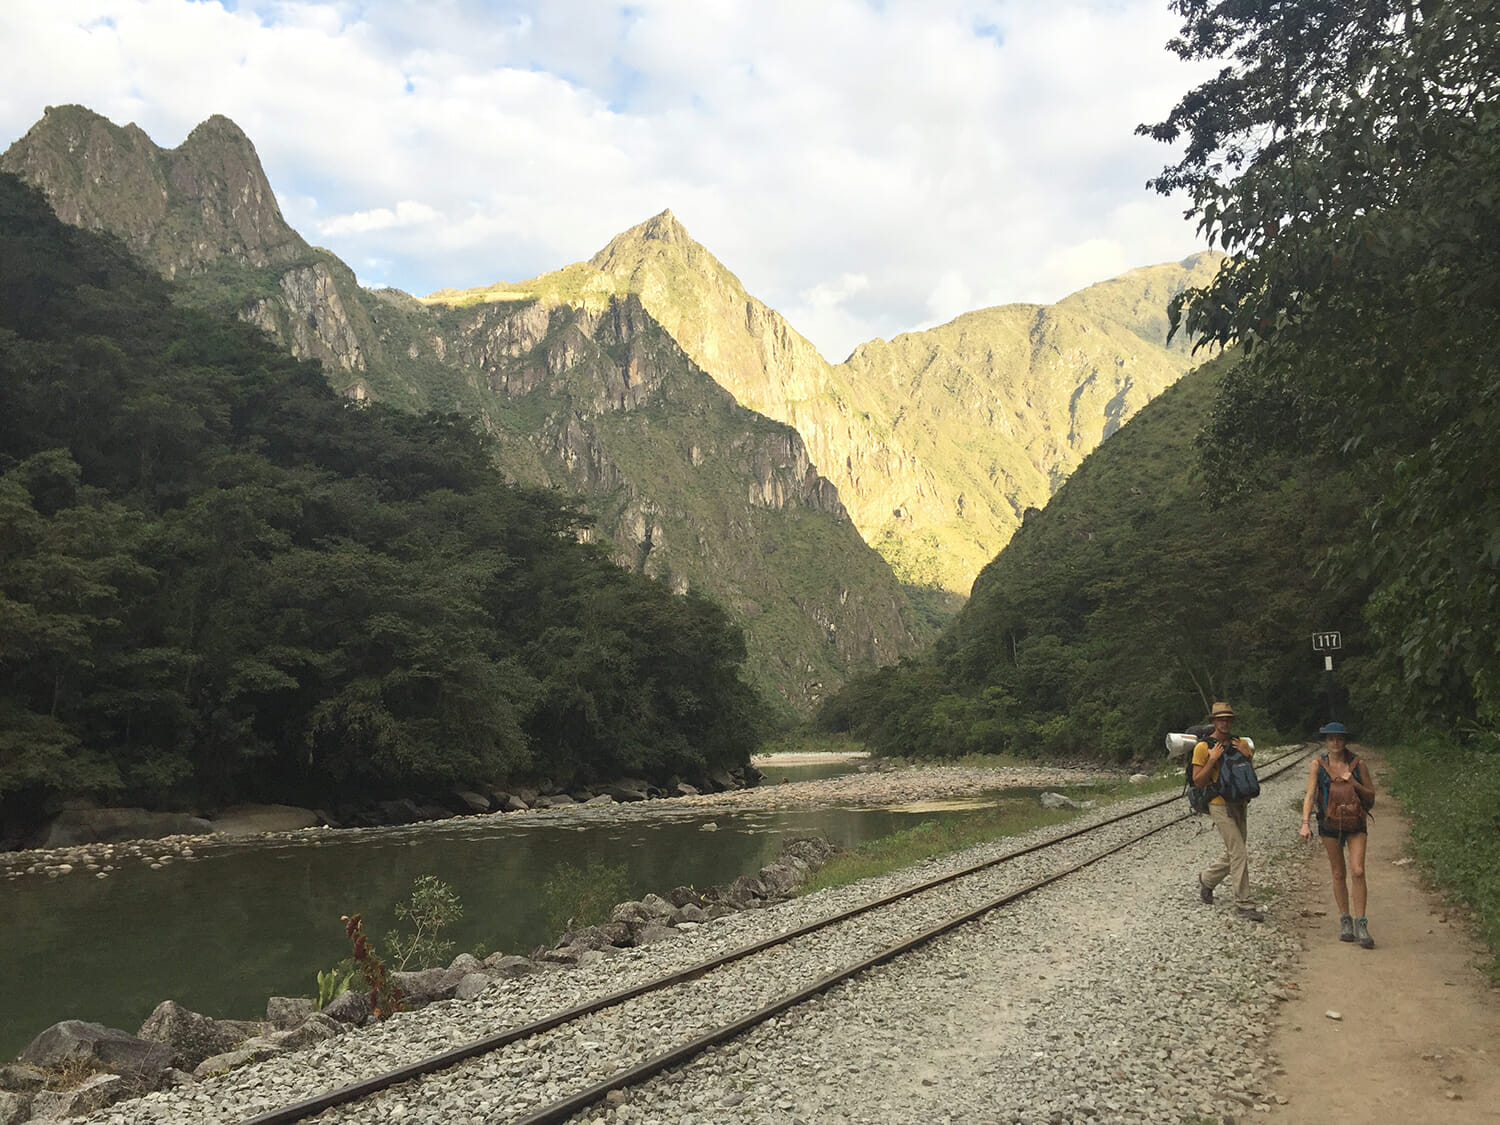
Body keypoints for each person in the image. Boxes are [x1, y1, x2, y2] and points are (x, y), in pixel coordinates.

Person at [1299, 721, 1377, 948]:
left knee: (1358, 870)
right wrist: (1305, 823)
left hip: (1356, 823)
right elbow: (1310, 795)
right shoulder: (1318, 765)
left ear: (1345, 741)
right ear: (1326, 741)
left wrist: (1353, 782)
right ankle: (1345, 919)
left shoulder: (1357, 764)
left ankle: (1361, 923)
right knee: (1337, 872)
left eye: (1339, 738)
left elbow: (1371, 796)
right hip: (1329, 823)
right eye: (1331, 738)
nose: (1335, 742)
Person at [1192, 701, 1264, 921]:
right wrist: (1212, 760)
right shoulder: (1203, 748)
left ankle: (1207, 879)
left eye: (1228, 719)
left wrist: (1248, 756)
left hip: (1239, 803)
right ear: (1213, 721)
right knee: (1239, 851)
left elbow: (1247, 774)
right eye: (1220, 719)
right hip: (1218, 803)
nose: (1224, 722)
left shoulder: (1240, 743)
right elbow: (1197, 780)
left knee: (1235, 850)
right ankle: (1244, 903)